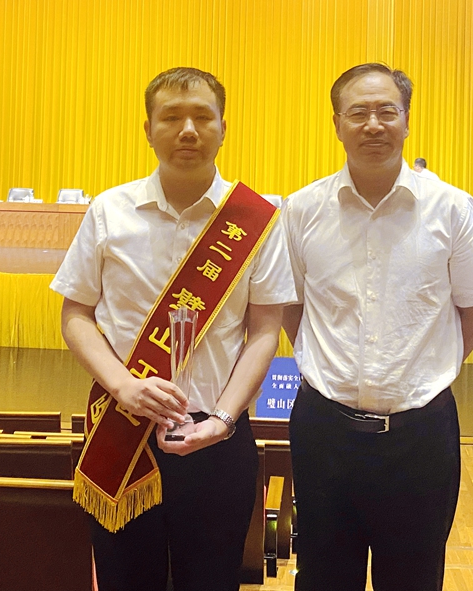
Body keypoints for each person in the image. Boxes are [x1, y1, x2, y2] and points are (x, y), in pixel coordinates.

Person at [51, 67, 296, 591]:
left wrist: (224, 419)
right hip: (123, 430)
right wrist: (124, 385)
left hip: (218, 439)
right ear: (148, 129)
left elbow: (264, 331)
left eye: (202, 117)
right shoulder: (109, 211)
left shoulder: (257, 219)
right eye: (171, 117)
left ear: (223, 128)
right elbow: (76, 315)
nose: (188, 130)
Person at [281, 63, 473, 591]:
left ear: (406, 120)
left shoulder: (452, 209)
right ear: (336, 124)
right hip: (324, 432)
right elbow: (292, 307)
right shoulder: (302, 209)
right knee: (323, 578)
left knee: (415, 579)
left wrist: (423, 374)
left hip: (421, 437)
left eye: (386, 111)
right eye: (358, 112)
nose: (373, 124)